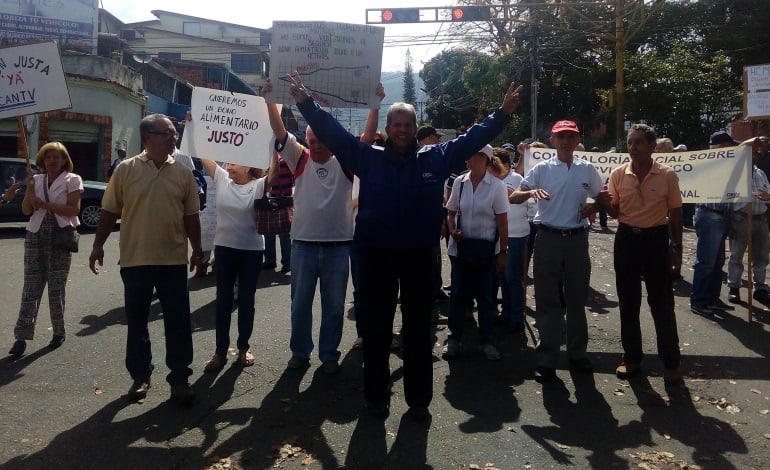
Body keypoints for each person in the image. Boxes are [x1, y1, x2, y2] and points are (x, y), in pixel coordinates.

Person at [283, 71, 523, 420]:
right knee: (377, 331)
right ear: (388, 127)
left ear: (415, 127)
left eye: (408, 124)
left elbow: (472, 139)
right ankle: (376, 398)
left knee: (416, 332)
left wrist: (501, 113)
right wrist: (305, 102)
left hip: (417, 258)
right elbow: (333, 134)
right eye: (395, 123)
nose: (401, 129)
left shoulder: (435, 158)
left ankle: (418, 401)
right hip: (375, 257)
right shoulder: (367, 157)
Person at [88, 114, 202, 407]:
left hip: (173, 261)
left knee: (178, 323)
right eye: (167, 132)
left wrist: (198, 250)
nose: (174, 136)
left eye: (174, 132)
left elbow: (191, 216)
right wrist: (97, 246)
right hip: (135, 260)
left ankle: (179, 379)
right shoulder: (126, 170)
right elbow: (109, 211)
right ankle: (141, 376)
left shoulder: (183, 172)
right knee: (137, 322)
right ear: (148, 136)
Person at [263, 80, 354, 375]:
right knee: (299, 306)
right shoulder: (299, 158)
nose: (315, 146)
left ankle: (329, 355)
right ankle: (300, 353)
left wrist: (376, 105)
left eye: (320, 140)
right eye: (311, 140)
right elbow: (279, 131)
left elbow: (365, 137)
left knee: (334, 307)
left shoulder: (346, 162)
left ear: (331, 140)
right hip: (303, 246)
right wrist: (268, 100)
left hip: (338, 248)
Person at [511, 120, 608, 383]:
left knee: (577, 300)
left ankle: (577, 354)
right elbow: (514, 197)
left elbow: (603, 196)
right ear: (552, 141)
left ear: (578, 141)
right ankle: (547, 358)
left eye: (571, 137)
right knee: (547, 301)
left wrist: (594, 208)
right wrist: (531, 191)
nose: (566, 141)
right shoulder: (542, 169)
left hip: (577, 240)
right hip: (548, 239)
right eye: (561, 137)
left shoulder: (587, 169)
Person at [606, 124, 683, 385]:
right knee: (628, 301)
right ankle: (632, 358)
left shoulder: (667, 175)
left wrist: (677, 248)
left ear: (652, 147)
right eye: (630, 143)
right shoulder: (618, 174)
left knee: (661, 303)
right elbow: (615, 212)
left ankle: (671, 363)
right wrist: (605, 205)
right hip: (627, 238)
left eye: (639, 143)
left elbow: (675, 213)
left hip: (656, 239)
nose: (633, 148)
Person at [8, 142, 83, 356]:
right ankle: (21, 337)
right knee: (31, 286)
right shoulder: (36, 180)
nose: (52, 161)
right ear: (42, 160)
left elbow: (73, 209)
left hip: (60, 235)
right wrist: (31, 193)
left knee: (55, 287)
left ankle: (58, 331)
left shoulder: (73, 179)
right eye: (48, 157)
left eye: (57, 157)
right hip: (35, 234)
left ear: (64, 160)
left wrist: (46, 205)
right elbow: (26, 211)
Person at [200, 157, 266, 373]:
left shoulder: (260, 184)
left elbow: (274, 171)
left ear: (249, 165)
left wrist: (273, 142)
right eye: (227, 163)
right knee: (223, 301)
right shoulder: (222, 179)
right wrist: (196, 125)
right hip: (225, 250)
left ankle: (243, 347)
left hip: (252, 251)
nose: (228, 167)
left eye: (234, 164)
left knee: (247, 301)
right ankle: (220, 352)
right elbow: (204, 154)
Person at [443, 145, 509, 360]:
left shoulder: (496, 187)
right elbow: (451, 212)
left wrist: (502, 252)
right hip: (460, 249)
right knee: (458, 296)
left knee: (486, 298)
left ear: (484, 159)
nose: (467, 160)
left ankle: (486, 342)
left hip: (486, 250)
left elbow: (502, 223)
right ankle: (453, 339)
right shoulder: (460, 183)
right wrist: (452, 230)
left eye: (471, 155)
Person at [690, 131, 741, 315]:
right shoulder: (709, 164)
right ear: (721, 147)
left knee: (718, 261)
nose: (733, 149)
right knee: (707, 261)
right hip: (710, 215)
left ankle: (712, 297)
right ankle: (699, 300)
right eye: (729, 146)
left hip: (723, 215)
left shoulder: (728, 165)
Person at [489, 147, 529, 334]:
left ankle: (517, 317)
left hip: (515, 234)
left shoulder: (514, 178)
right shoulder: (495, 179)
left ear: (506, 165)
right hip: (501, 235)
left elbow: (509, 197)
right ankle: (506, 313)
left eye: (496, 163)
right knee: (503, 276)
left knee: (513, 277)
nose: (492, 166)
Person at [727, 137, 770, 304]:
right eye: (751, 152)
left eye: (756, 153)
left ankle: (760, 287)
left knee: (761, 256)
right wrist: (755, 139)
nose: (754, 155)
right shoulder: (735, 172)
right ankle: (734, 288)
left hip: (761, 219)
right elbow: (728, 198)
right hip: (741, 218)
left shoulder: (760, 173)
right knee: (736, 255)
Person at [263, 151, 294, 273]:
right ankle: (287, 262)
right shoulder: (287, 159)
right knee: (284, 233)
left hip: (274, 198)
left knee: (270, 231)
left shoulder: (271, 161)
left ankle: (271, 261)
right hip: (284, 198)